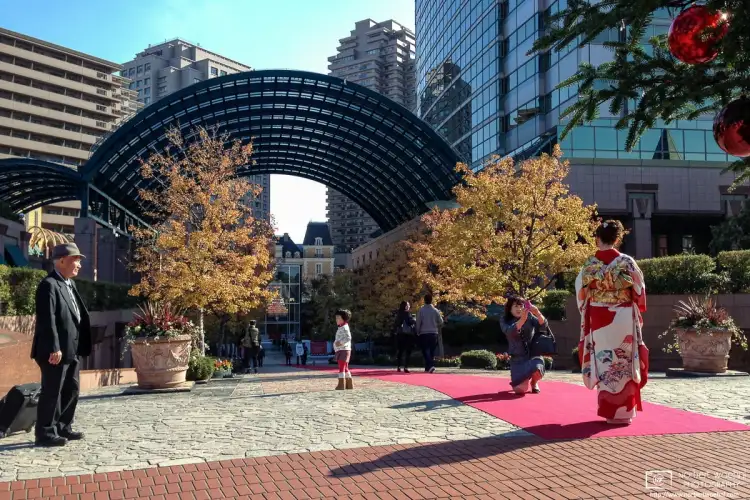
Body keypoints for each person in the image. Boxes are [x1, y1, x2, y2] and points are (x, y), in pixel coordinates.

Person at [575, 220, 649, 425]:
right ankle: (625, 412)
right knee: (624, 359)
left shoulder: (590, 264)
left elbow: (581, 296)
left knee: (604, 361)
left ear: (598, 239)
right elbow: (639, 290)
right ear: (617, 239)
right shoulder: (627, 262)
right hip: (623, 316)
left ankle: (609, 411)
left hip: (599, 317)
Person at [31, 243, 91, 447]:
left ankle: (64, 426)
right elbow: (47, 320)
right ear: (62, 260)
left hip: (72, 348)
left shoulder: (69, 284)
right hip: (55, 350)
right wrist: (53, 347)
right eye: (76, 260)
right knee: (52, 391)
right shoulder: (49, 284)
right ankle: (45, 432)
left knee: (71, 389)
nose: (79, 265)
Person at [500, 296, 547, 394]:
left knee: (537, 367)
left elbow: (543, 326)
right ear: (510, 308)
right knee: (520, 390)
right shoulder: (504, 319)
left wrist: (537, 313)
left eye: (521, 306)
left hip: (533, 354)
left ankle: (534, 382)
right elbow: (509, 332)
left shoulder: (529, 316)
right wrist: (522, 320)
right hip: (517, 358)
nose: (519, 309)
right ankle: (524, 380)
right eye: (515, 306)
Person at [416, 294, 443, 373]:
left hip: (424, 333)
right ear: (431, 300)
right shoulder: (435, 310)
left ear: (424, 300)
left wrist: (417, 331)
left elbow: (418, 322)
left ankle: (430, 365)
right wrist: (435, 324)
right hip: (433, 333)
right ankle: (428, 367)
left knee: (425, 350)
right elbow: (441, 321)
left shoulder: (421, 310)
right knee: (431, 351)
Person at [393, 301, 416, 373]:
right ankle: (406, 366)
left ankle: (399, 366)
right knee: (408, 351)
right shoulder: (407, 314)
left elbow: (396, 324)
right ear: (405, 306)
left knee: (400, 351)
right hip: (407, 335)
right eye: (408, 305)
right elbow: (410, 322)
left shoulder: (399, 314)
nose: (409, 306)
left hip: (400, 334)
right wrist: (414, 320)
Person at [333, 309, 353, 390]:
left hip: (343, 350)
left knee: (341, 367)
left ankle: (341, 384)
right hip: (342, 349)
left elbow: (348, 337)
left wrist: (340, 343)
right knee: (345, 367)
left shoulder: (344, 327)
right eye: (336, 318)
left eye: (338, 318)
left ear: (343, 319)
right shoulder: (342, 327)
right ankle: (349, 384)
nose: (336, 320)